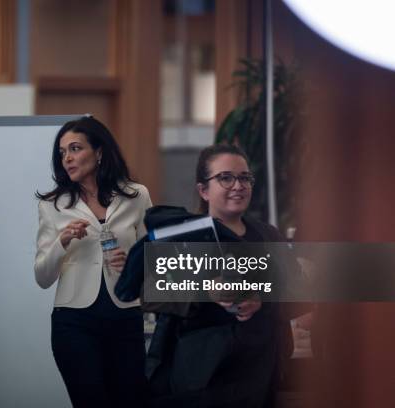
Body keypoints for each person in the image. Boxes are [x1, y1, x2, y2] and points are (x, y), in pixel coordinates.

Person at [149, 143, 292, 407]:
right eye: (226, 178)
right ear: (203, 190)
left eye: (244, 178)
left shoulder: (268, 237)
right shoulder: (182, 239)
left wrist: (263, 300)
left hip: (258, 374)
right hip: (200, 377)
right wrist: (205, 291)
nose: (238, 186)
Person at [34, 116, 152, 408]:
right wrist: (62, 242)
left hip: (125, 318)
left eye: (75, 148)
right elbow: (42, 276)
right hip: (74, 323)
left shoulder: (136, 196)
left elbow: (156, 261)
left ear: (99, 152)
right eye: (62, 153)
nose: (68, 158)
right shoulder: (53, 206)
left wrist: (134, 265)